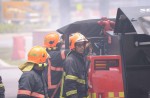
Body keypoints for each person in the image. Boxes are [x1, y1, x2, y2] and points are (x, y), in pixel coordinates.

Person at [60, 32, 89, 98]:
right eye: (79, 45)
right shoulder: (71, 60)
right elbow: (70, 83)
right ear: (73, 46)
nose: (82, 47)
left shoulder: (80, 58)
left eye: (83, 45)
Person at [43, 32, 69, 98]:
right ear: (57, 44)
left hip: (47, 88)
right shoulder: (55, 55)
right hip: (55, 89)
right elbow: (69, 53)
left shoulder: (45, 54)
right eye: (60, 43)